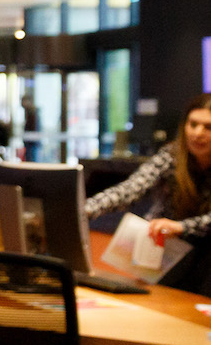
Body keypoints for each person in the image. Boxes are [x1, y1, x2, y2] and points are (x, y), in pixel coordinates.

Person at [86, 93, 211, 292]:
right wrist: (86, 210)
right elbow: (131, 188)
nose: (197, 133)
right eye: (193, 124)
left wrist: (181, 227)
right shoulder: (171, 156)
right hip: (169, 253)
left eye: (208, 127)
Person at [21, 95, 40, 162]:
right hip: (31, 143)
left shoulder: (32, 112)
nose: (21, 103)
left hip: (32, 143)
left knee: (31, 161)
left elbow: (33, 129)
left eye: (23, 101)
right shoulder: (30, 112)